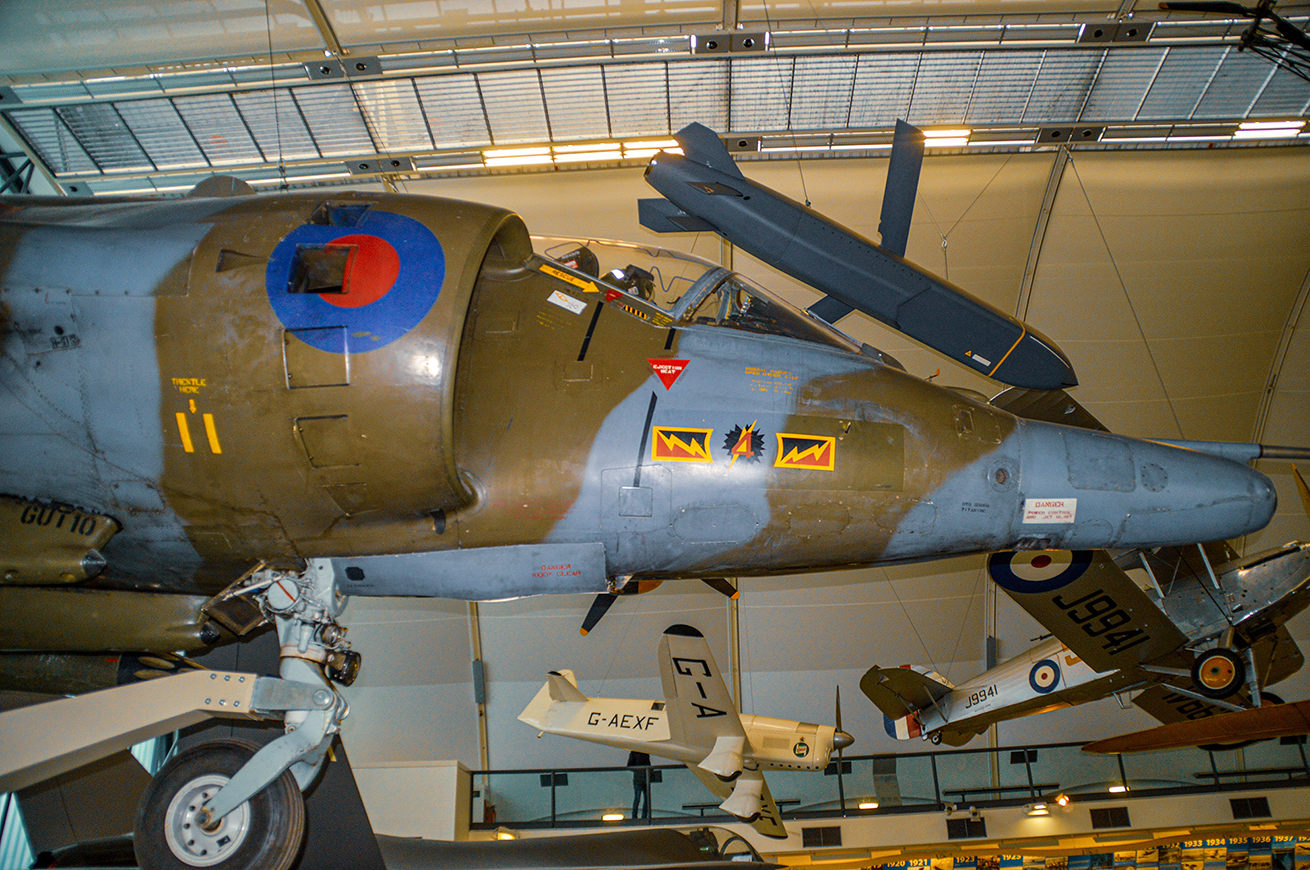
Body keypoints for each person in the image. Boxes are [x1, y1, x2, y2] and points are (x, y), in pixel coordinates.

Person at [627, 750, 651, 820]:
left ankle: (641, 816)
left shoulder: (641, 753)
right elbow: (629, 766)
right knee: (639, 798)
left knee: (644, 799)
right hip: (640, 778)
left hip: (643, 778)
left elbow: (648, 765)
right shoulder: (637, 753)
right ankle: (637, 816)